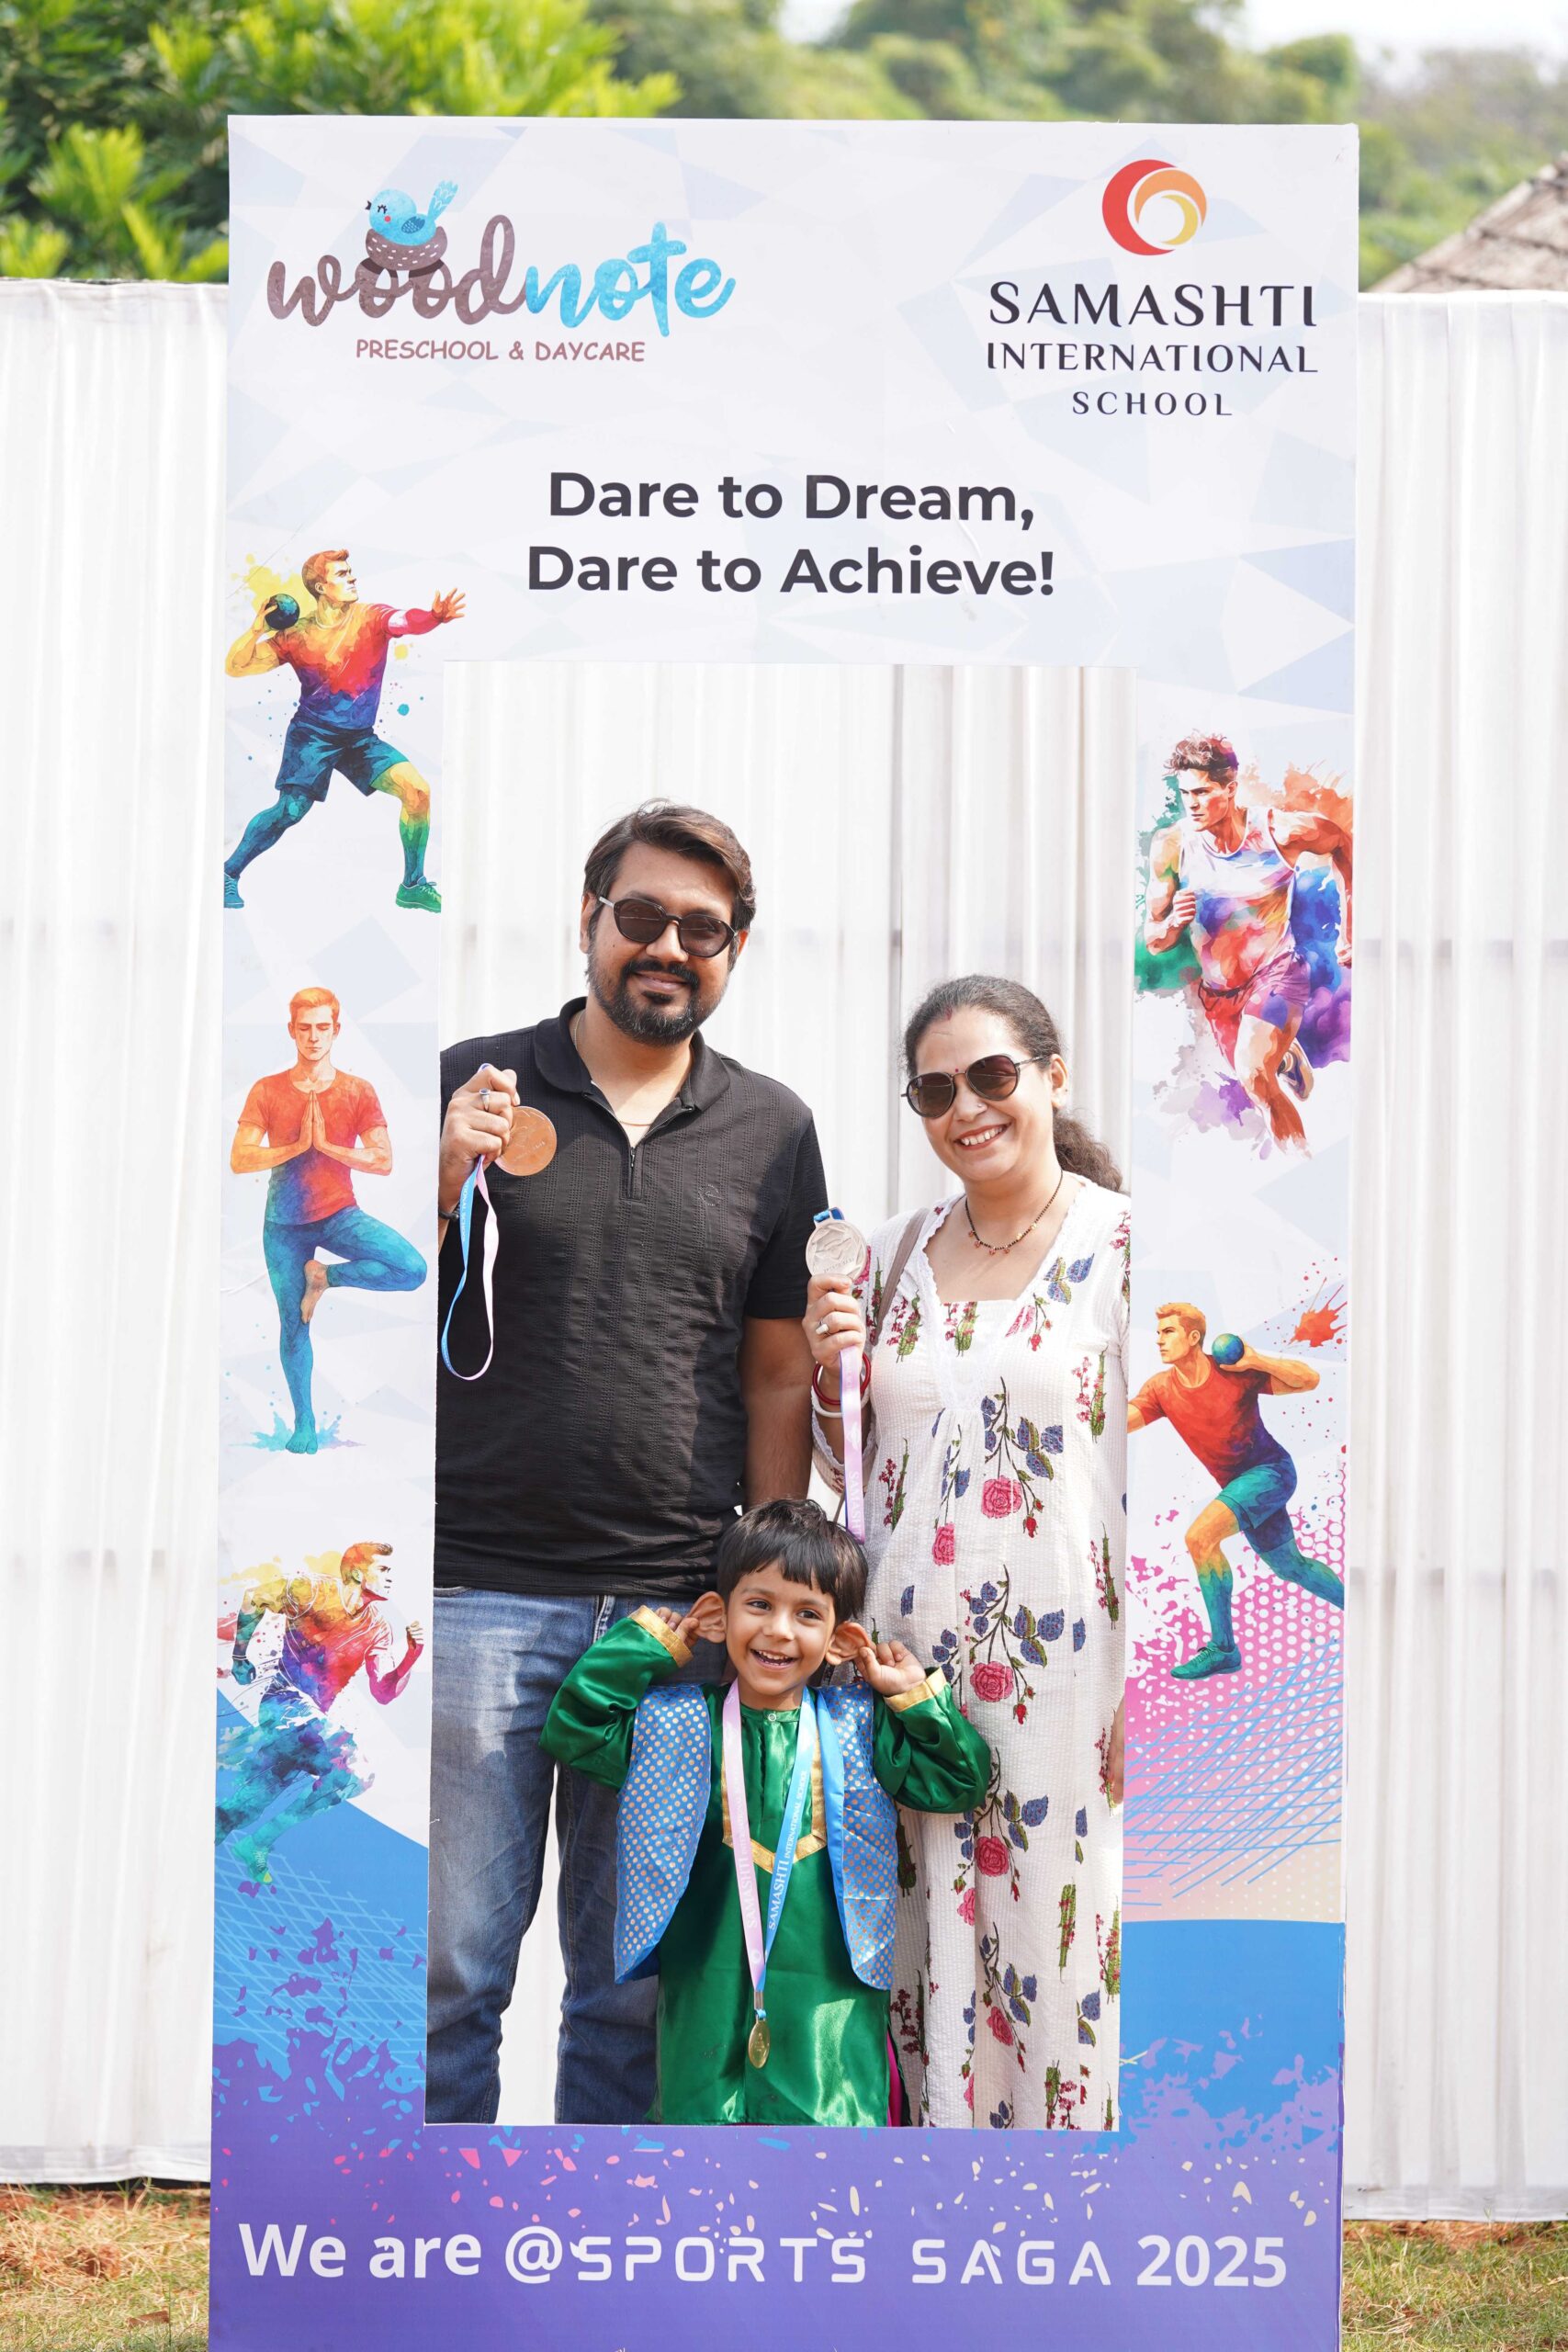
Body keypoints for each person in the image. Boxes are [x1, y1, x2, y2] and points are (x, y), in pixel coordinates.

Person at [427, 801, 827, 2127]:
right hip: (474, 1592)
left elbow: (775, 1373)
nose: (667, 947)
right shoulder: (471, 1084)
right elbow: (358, 1299)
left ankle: (594, 2237)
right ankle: (422, 2235)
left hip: (670, 1613)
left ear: (735, 950)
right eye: (641, 915)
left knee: (631, 1983)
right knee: (448, 1973)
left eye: (701, 930)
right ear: (589, 918)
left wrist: (763, 1584)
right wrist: (436, 1179)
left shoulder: (772, 1127)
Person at [807, 976, 1128, 2132]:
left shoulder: (1125, 1246)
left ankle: (1068, 2203)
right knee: (916, 1940)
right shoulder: (893, 1250)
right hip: (910, 1674)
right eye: (935, 1090)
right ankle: (931, 2204)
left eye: (993, 1075)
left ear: (1054, 1075)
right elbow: (849, 1468)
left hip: (1067, 1674)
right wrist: (829, 1368)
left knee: (1055, 1936)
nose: (967, 1108)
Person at [540, 1498, 991, 2127]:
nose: (779, 1631)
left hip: (827, 2023)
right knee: (697, 2153)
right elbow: (575, 1729)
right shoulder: (676, 1724)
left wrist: (912, 1695)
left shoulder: (858, 1728)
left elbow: (958, 1781)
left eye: (807, 1614)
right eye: (758, 1604)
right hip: (703, 2005)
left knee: (829, 2156)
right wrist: (650, 1647)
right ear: (717, 1615)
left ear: (840, 1642)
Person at [231, 986, 426, 1454]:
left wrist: (328, 1148)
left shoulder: (358, 1090)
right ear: (291, 1031)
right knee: (293, 1324)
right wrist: (297, 1147)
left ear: (337, 1030)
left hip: (340, 1214)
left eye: (323, 1027)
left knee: (412, 1269)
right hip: (284, 1223)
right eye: (305, 1028)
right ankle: (305, 1424)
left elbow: (382, 1160)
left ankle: (326, 1277)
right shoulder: (267, 1089)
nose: (314, 1037)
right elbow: (240, 1158)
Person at [1143, 732, 1352, 1149]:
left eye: (1202, 792)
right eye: (1185, 794)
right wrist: (1173, 925)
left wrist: (1350, 927)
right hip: (1221, 995)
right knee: (1257, 1077)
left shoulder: (1280, 832)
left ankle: (1300, 1160)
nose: (1192, 804)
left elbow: (1343, 844)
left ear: (1230, 789)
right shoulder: (1173, 845)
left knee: (1253, 1073)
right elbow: (1154, 939)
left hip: (1278, 973)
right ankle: (1285, 1055)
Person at [221, 548, 460, 910]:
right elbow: (236, 667)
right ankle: (227, 873)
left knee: (417, 792)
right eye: (342, 574)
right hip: (312, 737)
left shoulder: (371, 617)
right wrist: (257, 630)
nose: (352, 578)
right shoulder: (296, 636)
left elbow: (406, 621)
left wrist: (434, 617)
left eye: (351, 572)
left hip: (359, 740)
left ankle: (412, 886)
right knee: (290, 811)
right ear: (321, 587)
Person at [1127, 1301, 1342, 1679]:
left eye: (1169, 1332)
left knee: (1200, 1538)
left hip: (1271, 1474)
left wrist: (1256, 1360)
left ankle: (1224, 1649)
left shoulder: (1232, 1372)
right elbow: (1122, 1420)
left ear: (1193, 1337)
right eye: (1158, 1333)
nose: (1159, 1340)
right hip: (1240, 1489)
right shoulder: (1161, 1388)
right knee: (1291, 1566)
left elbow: (1309, 1380)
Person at [217, 1541, 423, 1886]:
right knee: (355, 1771)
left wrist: (411, 1655)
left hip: (311, 1725)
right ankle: (259, 1841)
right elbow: (255, 1597)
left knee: (244, 1805)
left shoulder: (379, 1628)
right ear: (357, 1573)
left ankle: (229, 1844)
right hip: (283, 1703)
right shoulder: (311, 1590)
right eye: (383, 1569)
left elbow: (383, 1692)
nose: (391, 1577)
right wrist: (240, 1657)